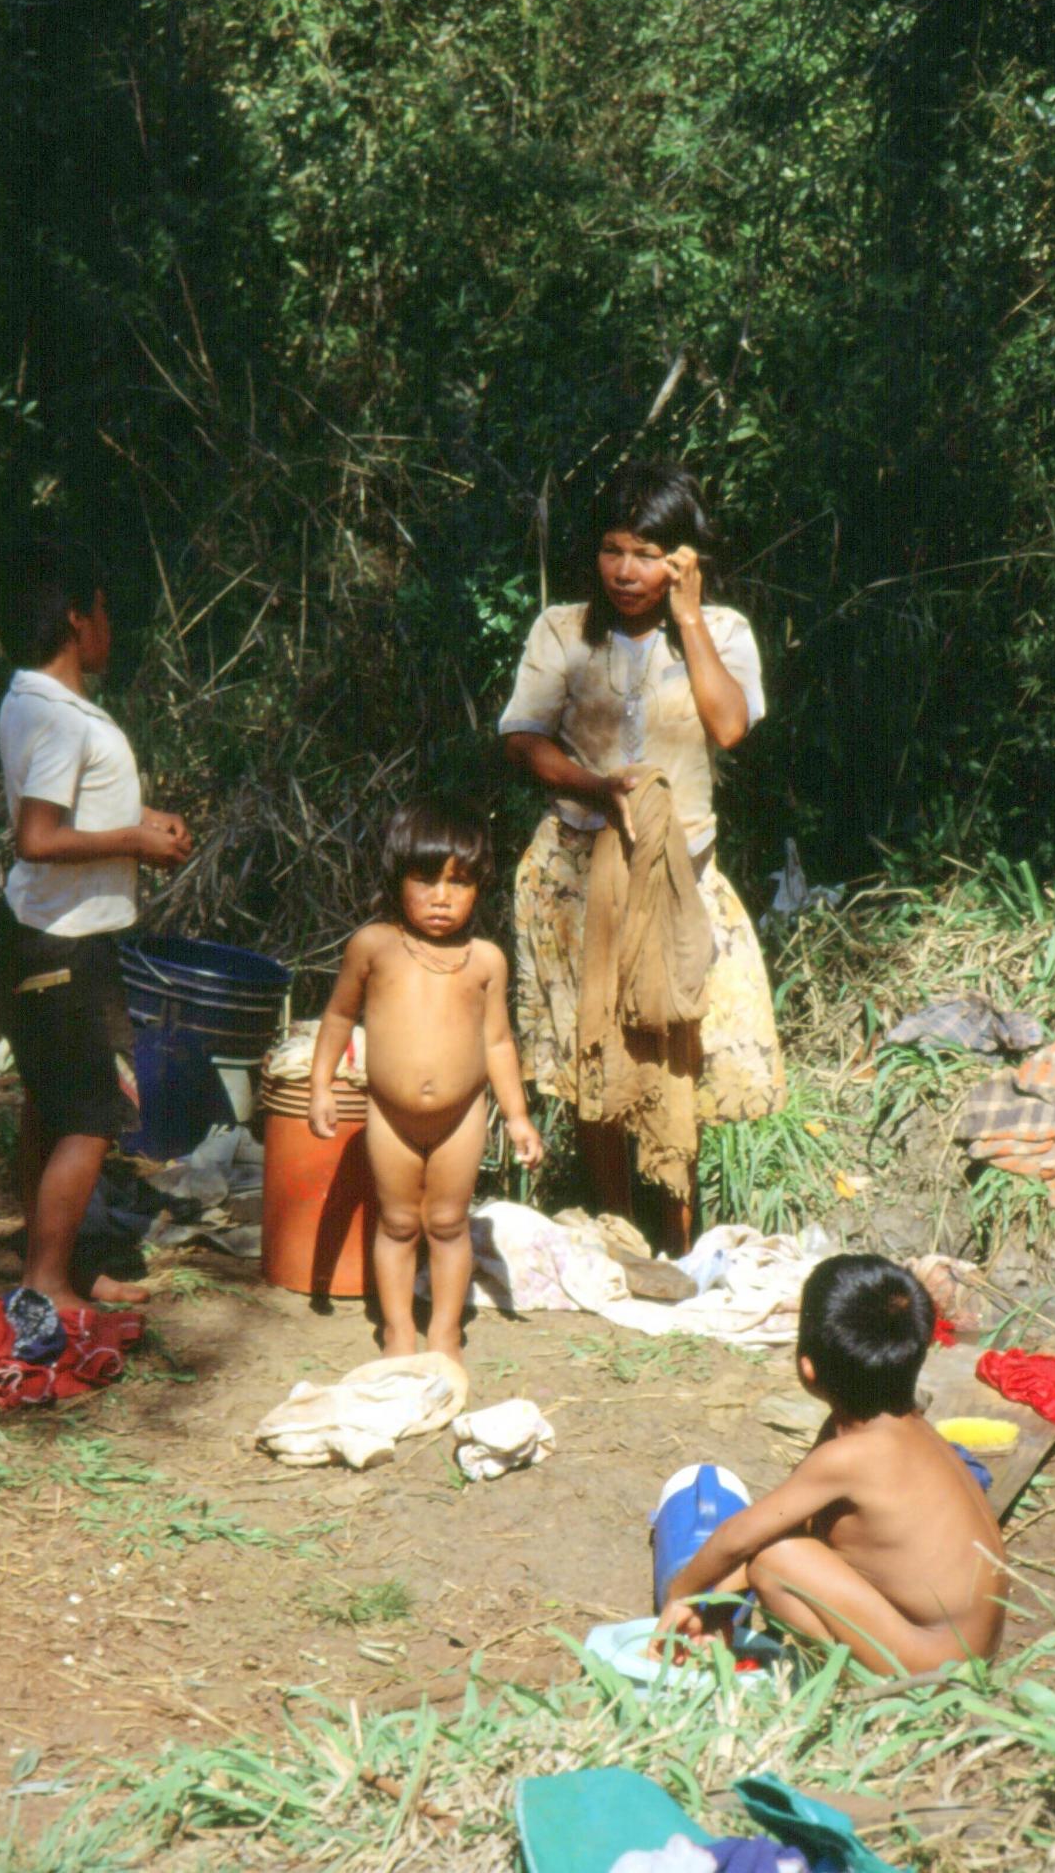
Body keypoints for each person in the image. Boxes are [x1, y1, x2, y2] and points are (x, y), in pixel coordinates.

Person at [500, 460, 785, 1252]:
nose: (626, 572)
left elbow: (730, 727)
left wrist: (689, 618)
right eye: (612, 550)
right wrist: (598, 787)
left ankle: (680, 1238)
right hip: (575, 875)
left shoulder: (722, 632)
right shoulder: (563, 629)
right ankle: (617, 1231)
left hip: (681, 880)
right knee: (595, 1048)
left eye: (648, 554)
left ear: (684, 559)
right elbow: (523, 739)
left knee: (676, 1048)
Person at [0, 538, 193, 1310]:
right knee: (92, 1119)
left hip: (47, 934)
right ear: (76, 619)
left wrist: (140, 819)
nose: (110, 627)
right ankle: (44, 1284)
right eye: (102, 612)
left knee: (51, 1104)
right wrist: (136, 840)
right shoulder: (60, 717)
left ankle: (56, 1264)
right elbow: (38, 836)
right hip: (57, 944)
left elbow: (70, 812)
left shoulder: (32, 701)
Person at [652, 1253, 1006, 1677]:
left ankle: (847, 1685)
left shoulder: (851, 1457)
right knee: (785, 1546)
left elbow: (738, 1538)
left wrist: (682, 1594)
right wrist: (717, 1608)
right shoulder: (903, 1430)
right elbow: (788, 1526)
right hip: (962, 1649)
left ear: (808, 1367)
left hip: (936, 1667)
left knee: (774, 1562)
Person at [307, 798, 544, 1361]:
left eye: (460, 883)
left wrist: (516, 1116)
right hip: (389, 1116)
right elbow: (339, 1015)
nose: (442, 896)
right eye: (427, 878)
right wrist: (320, 1084)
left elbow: (497, 1043)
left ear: (480, 887)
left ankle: (444, 1332)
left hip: (460, 1117)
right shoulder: (374, 946)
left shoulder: (484, 959)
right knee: (395, 1224)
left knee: (446, 1222)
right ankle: (397, 1331)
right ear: (398, 878)